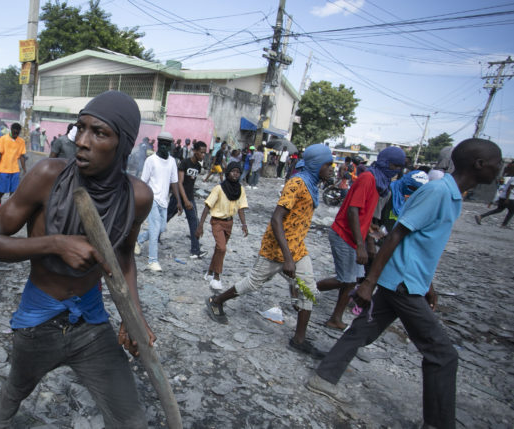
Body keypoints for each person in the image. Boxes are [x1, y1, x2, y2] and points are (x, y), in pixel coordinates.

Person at [0, 90, 153, 429]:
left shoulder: (138, 197)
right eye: (80, 128)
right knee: (17, 387)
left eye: (99, 133)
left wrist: (135, 319)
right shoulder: (48, 176)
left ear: (124, 144)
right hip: (38, 322)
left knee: (131, 418)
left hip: (90, 320)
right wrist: (55, 243)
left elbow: (125, 257)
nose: (82, 142)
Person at [307, 139, 502, 429]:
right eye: (498, 164)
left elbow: (423, 244)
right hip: (402, 283)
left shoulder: (451, 195)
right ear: (479, 164)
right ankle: (437, 423)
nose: (501, 169)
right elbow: (396, 235)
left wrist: (429, 283)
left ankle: (323, 377)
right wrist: (368, 283)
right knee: (443, 354)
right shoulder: (436, 192)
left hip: (409, 280)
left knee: (363, 330)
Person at [206, 144, 334, 358]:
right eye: (327, 164)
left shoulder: (311, 185)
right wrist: (287, 258)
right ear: (316, 164)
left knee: (308, 289)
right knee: (254, 282)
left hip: (298, 248)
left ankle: (299, 340)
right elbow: (276, 219)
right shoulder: (297, 184)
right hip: (277, 247)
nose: (331, 168)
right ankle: (216, 301)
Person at [316, 147, 406, 330]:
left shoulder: (380, 183)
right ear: (384, 162)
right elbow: (352, 210)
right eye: (393, 165)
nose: (396, 170)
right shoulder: (368, 179)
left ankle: (336, 317)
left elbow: (364, 213)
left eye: (399, 167)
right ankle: (305, 288)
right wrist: (360, 245)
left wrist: (370, 234)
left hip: (355, 236)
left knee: (352, 279)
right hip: (344, 234)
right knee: (345, 279)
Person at [196, 161, 249, 291]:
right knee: (222, 248)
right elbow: (207, 206)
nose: (235, 174)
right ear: (228, 173)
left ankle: (209, 272)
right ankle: (216, 277)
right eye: (233, 171)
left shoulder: (240, 190)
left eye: (238, 172)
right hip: (217, 222)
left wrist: (244, 224)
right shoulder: (219, 188)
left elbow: (241, 208)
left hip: (229, 223)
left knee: (219, 249)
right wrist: (200, 225)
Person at [135, 131, 182, 272]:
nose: (164, 147)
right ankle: (152, 261)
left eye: (167, 145)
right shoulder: (151, 161)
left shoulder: (172, 161)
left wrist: (178, 201)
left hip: (164, 201)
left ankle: (138, 239)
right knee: (155, 230)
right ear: (158, 145)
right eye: (162, 144)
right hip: (152, 200)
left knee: (162, 228)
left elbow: (174, 182)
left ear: (170, 146)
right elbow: (143, 182)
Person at [167, 140, 207, 258]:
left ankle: (195, 250)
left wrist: (190, 200)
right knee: (166, 218)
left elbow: (191, 184)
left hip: (189, 198)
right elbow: (180, 183)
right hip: (178, 198)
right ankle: (152, 237)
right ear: (194, 151)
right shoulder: (185, 163)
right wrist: (185, 201)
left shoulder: (198, 167)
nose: (203, 155)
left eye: (205, 153)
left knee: (194, 222)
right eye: (201, 152)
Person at [475, 162, 514, 227]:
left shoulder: (511, 177)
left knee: (499, 210)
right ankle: (504, 225)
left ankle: (481, 216)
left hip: (503, 196)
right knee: (511, 211)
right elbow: (509, 189)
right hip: (509, 198)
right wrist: (507, 199)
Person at [0, 122, 27, 200]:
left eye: (17, 133)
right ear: (11, 130)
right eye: (14, 132)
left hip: (15, 170)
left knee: (13, 192)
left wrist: (24, 169)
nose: (15, 134)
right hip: (4, 169)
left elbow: (22, 156)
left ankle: (9, 208)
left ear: (19, 132)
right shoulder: (3, 139)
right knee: (2, 191)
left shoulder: (21, 141)